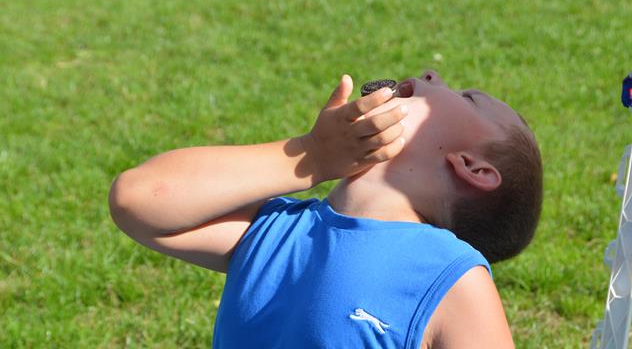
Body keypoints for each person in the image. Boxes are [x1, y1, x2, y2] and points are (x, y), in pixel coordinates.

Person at [109, 69, 542, 348]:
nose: (432, 74)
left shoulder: (451, 277)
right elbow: (138, 197)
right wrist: (309, 157)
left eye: (469, 98)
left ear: (473, 168)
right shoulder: (275, 232)